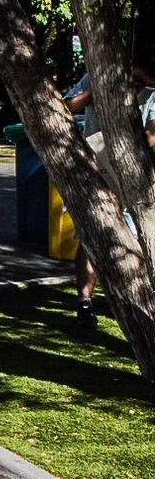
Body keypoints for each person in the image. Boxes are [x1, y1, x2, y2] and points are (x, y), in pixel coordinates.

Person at [64, 58, 155, 329]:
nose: (135, 84)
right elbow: (66, 107)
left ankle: (133, 299)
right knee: (91, 235)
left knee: (138, 236)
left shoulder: (151, 94)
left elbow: (151, 136)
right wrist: (95, 93)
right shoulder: (95, 79)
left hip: (135, 175)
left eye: (140, 80)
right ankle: (85, 300)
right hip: (96, 168)